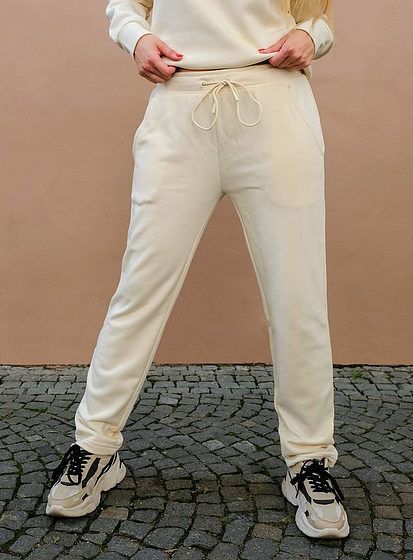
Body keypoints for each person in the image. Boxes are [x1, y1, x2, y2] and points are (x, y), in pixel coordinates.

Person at [46, 0, 350, 539]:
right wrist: (137, 37)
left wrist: (312, 38)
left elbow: (318, 16)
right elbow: (125, 5)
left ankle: (309, 459)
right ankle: (93, 447)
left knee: (298, 296)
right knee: (140, 288)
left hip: (275, 103)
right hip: (180, 105)